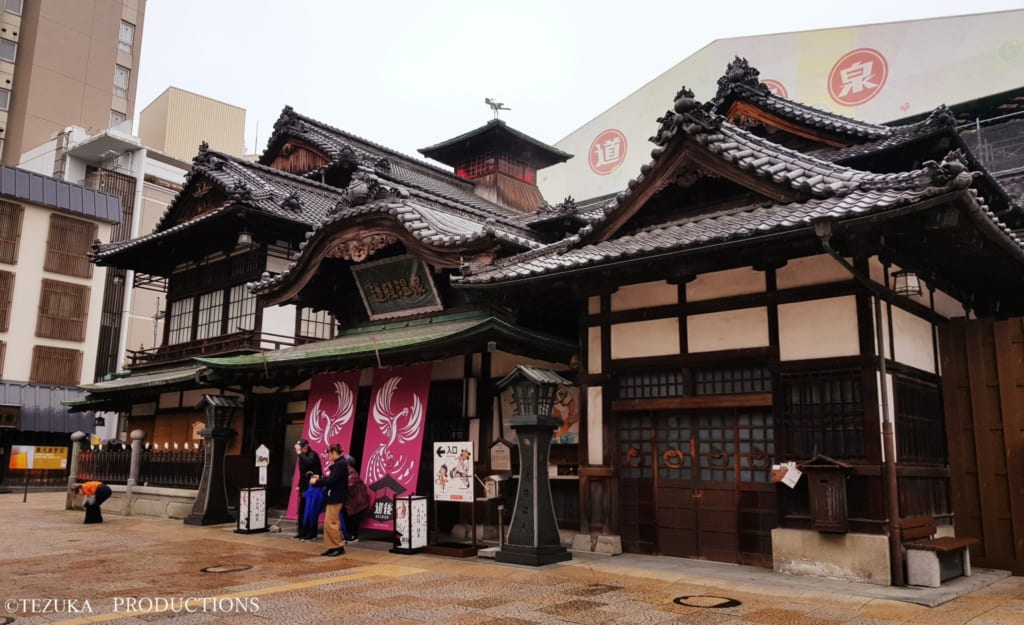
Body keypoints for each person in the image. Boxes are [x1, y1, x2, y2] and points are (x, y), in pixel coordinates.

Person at [309, 443, 347, 557]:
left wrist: (317, 482)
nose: (329, 456)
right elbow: (331, 479)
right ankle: (332, 546)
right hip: (333, 496)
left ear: (334, 453)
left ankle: (338, 547)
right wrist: (320, 478)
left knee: (331, 523)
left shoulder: (340, 464)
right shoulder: (339, 463)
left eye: (329, 454)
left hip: (336, 497)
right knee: (329, 523)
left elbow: (332, 481)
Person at [294, 439, 322, 540]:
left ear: (305, 447)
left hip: (313, 487)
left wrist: (299, 453)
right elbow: (302, 474)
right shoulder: (301, 456)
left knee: (311, 510)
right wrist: (299, 485)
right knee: (302, 511)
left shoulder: (312, 455)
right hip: (304, 486)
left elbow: (309, 462)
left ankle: (311, 534)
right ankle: (301, 532)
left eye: (300, 448)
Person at [342, 453, 370, 542]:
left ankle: (353, 535)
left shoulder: (350, 471)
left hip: (357, 499)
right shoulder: (345, 470)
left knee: (354, 517)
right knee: (348, 517)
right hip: (351, 500)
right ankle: (349, 535)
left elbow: (350, 484)